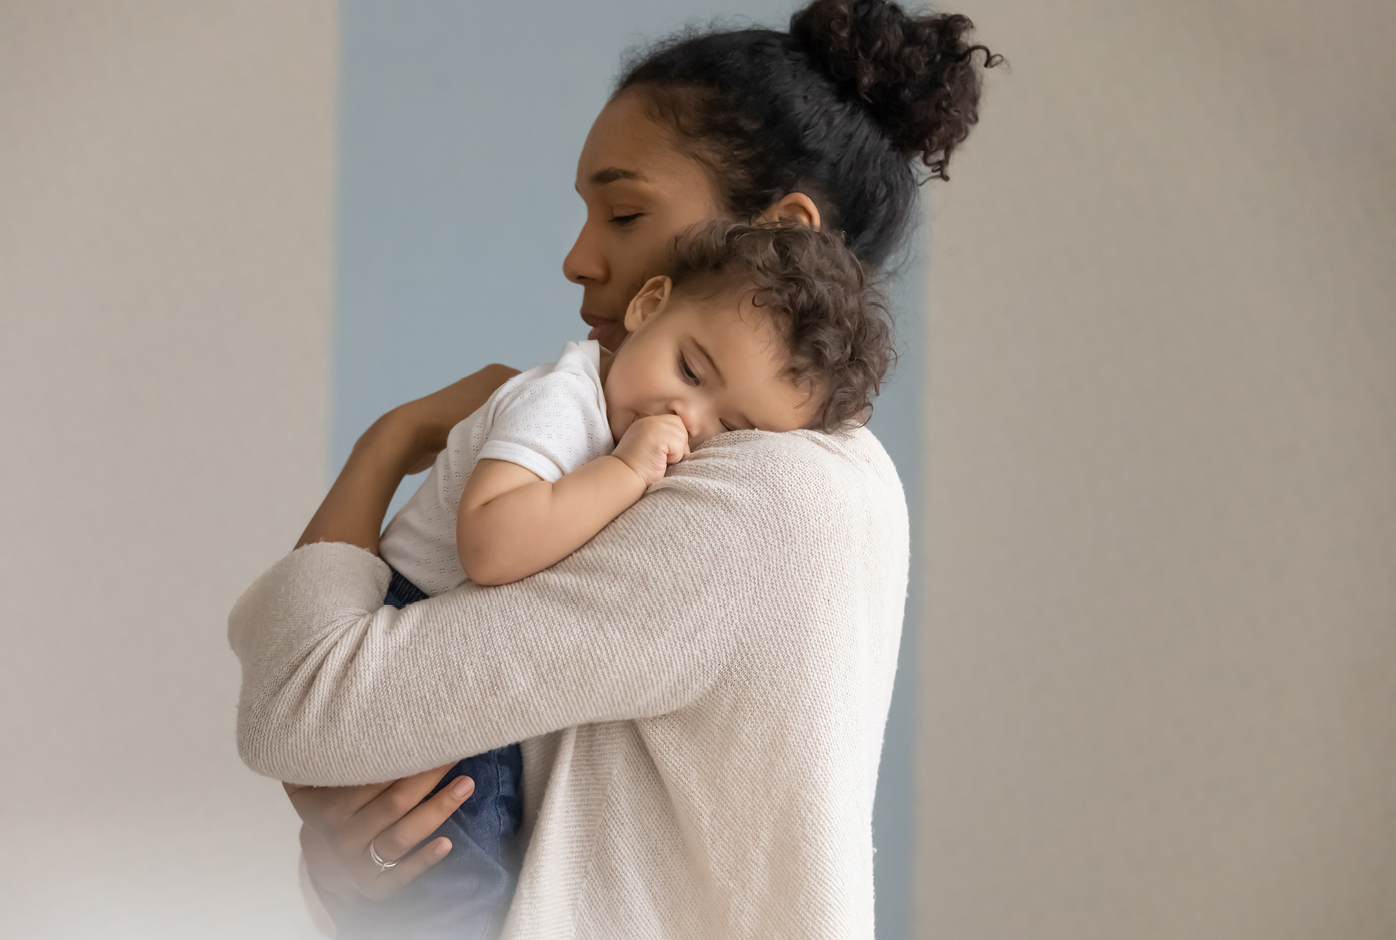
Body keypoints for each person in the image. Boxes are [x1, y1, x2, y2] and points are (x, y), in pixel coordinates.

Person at [231, 2, 999, 936]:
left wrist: (389, 444)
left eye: (626, 210)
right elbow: (552, 812)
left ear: (787, 229)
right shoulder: (757, 465)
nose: (577, 258)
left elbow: (300, 710)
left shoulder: (774, 497)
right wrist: (366, 868)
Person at [339, 220, 894, 939]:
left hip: (457, 656)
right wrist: (626, 472)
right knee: (459, 892)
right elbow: (492, 545)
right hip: (410, 616)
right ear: (648, 306)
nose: (685, 419)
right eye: (690, 371)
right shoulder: (560, 401)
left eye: (731, 428)